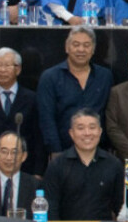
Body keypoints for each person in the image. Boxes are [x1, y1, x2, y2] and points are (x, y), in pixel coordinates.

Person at [38, 26, 112, 159]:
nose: (81, 50)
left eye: (86, 45)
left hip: (98, 153)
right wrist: (55, 152)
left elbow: (110, 114)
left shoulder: (105, 76)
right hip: (62, 153)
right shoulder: (50, 77)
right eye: (76, 45)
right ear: (67, 48)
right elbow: (46, 118)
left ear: (93, 49)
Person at [0, 47, 44, 176]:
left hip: (25, 168)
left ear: (18, 69)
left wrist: (38, 171)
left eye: (7, 65)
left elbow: (38, 139)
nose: (2, 70)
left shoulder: (32, 99)